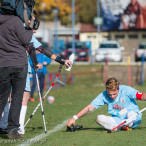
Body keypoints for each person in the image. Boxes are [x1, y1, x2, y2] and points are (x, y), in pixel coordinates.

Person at [67, 77, 146, 131]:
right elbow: (90, 107)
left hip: (134, 118)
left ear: (118, 89)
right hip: (118, 119)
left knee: (131, 114)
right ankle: (121, 126)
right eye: (110, 94)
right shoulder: (104, 95)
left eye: (114, 94)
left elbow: (142, 96)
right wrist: (74, 117)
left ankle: (124, 125)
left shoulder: (126, 90)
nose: (112, 97)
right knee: (99, 118)